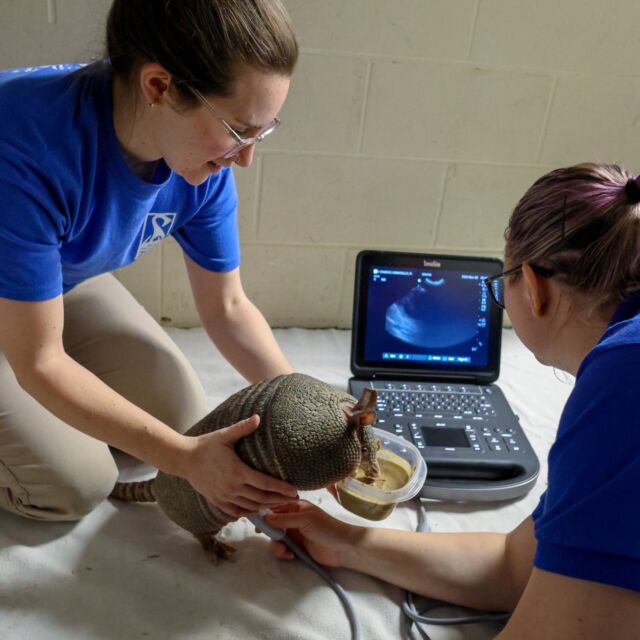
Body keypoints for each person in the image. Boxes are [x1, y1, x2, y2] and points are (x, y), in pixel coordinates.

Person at [266, 163, 640, 639]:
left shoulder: (625, 378)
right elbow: (512, 567)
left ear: (535, 288)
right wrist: (345, 542)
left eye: (501, 286)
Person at [0, 0, 301, 522]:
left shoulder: (203, 161)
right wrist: (184, 460)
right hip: (23, 306)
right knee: (75, 483)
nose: (247, 158)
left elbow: (228, 307)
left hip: (51, 279)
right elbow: (40, 361)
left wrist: (306, 404)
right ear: (158, 87)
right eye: (238, 131)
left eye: (263, 131)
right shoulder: (25, 148)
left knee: (182, 416)